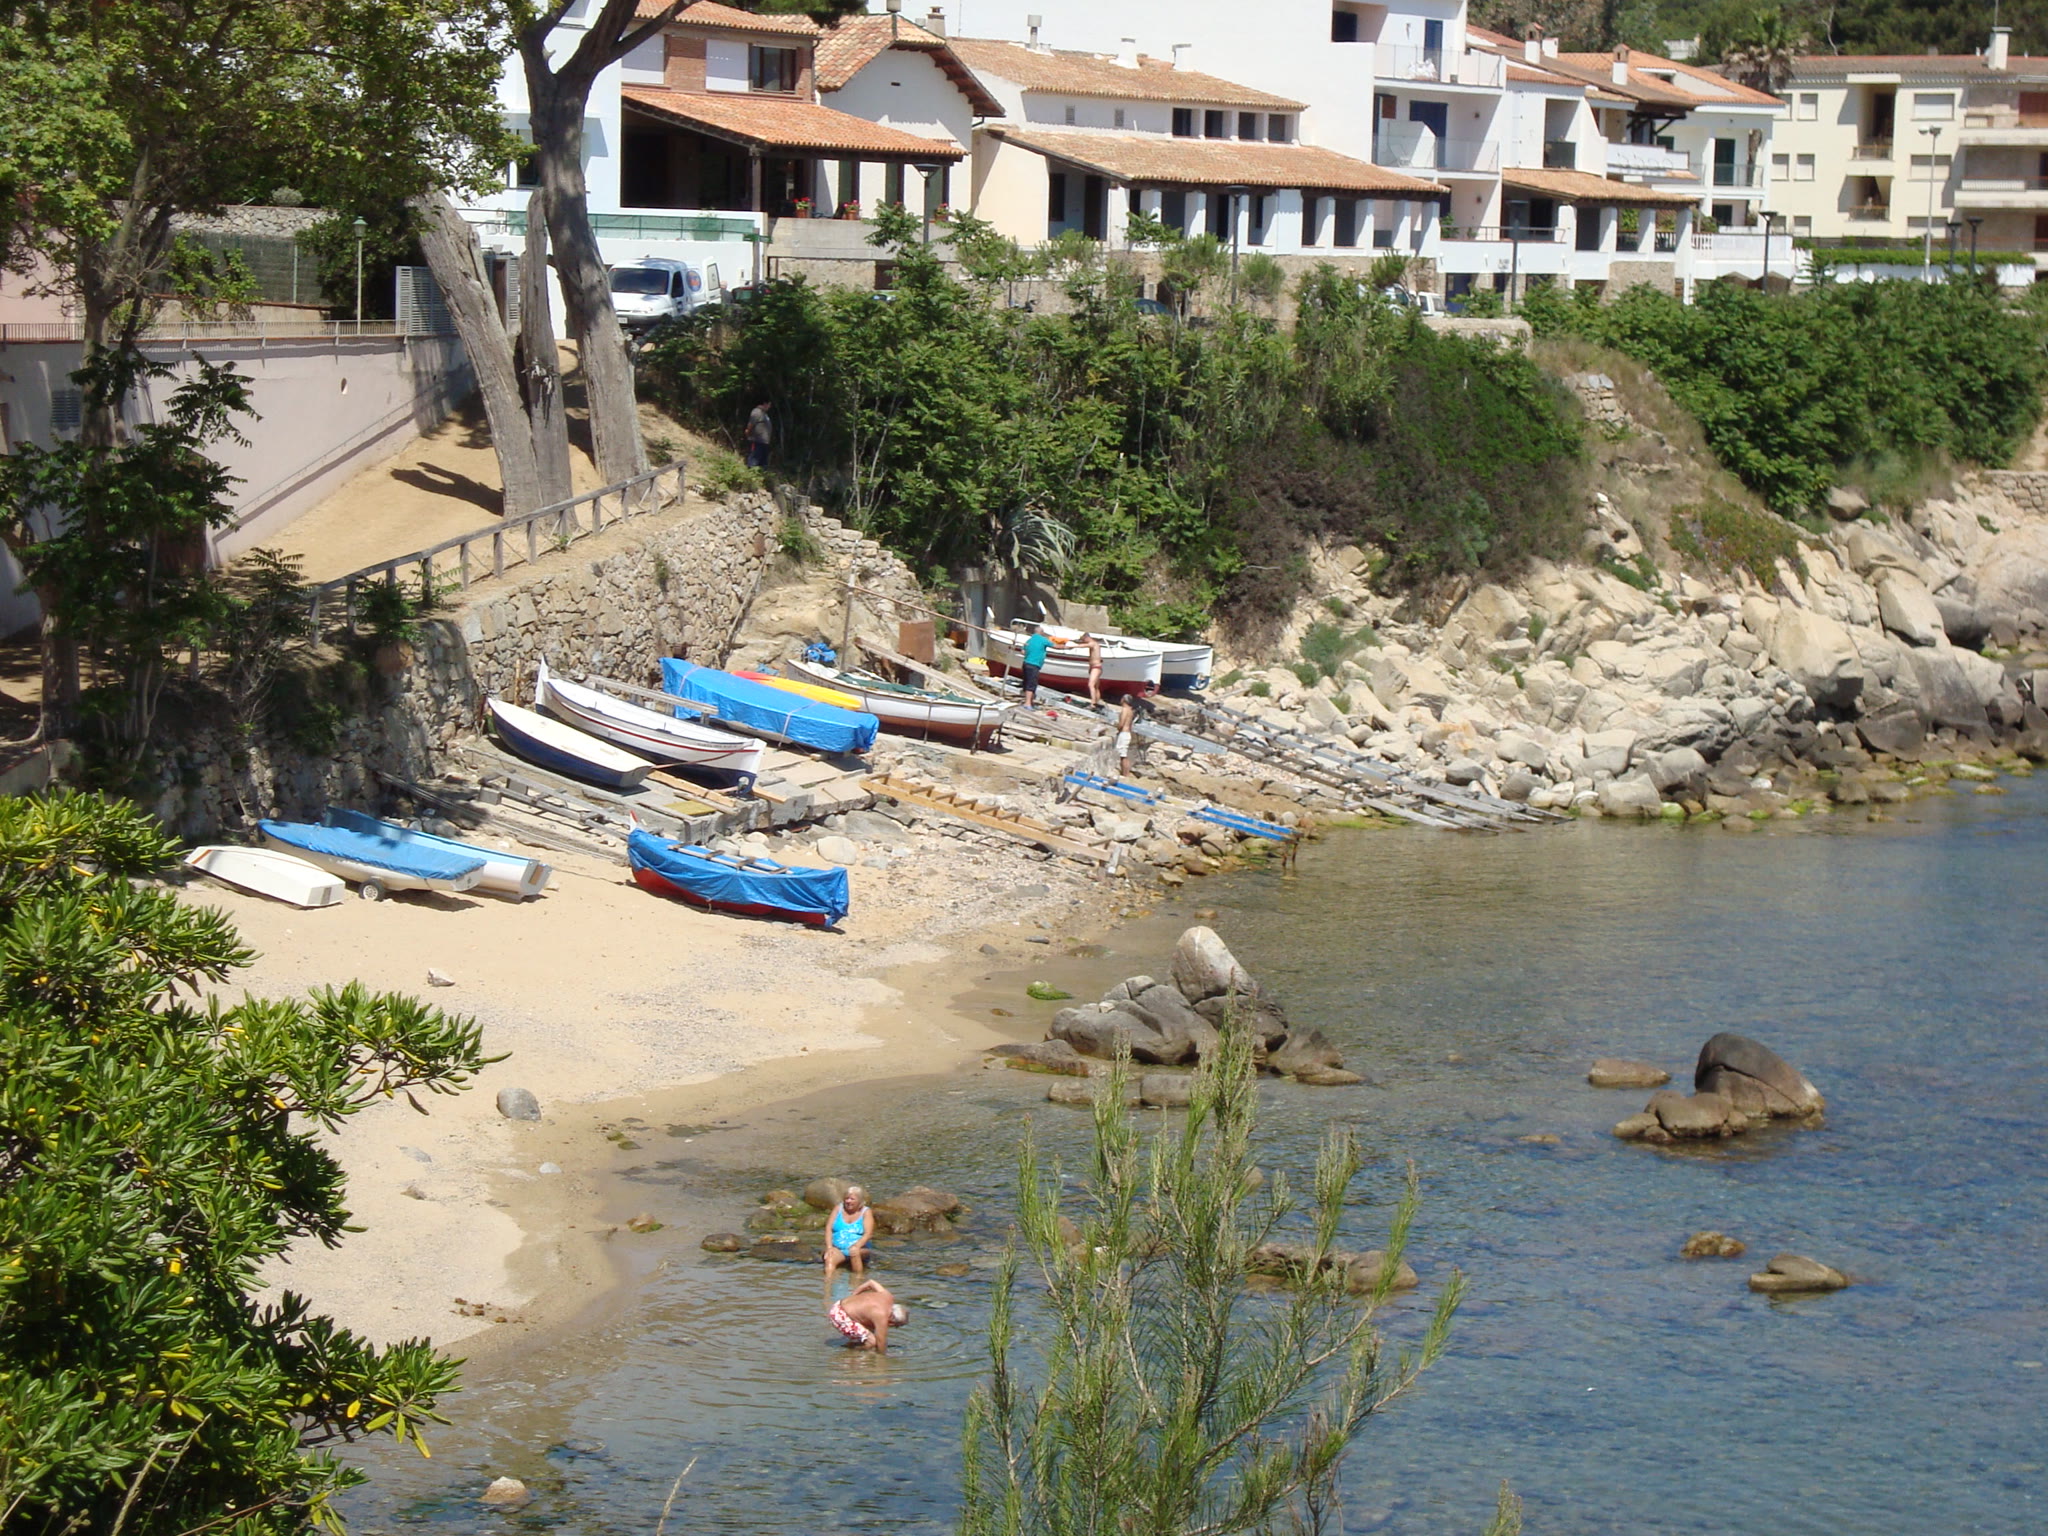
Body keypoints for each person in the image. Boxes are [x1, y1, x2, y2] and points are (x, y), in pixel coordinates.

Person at [827, 1278, 906, 1352]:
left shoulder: (888, 1296)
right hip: (839, 1315)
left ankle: (854, 1342)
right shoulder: (882, 1316)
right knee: (872, 1342)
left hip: (839, 1304)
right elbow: (881, 1343)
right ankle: (850, 1352)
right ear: (892, 1320)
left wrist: (854, 1294)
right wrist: (882, 1358)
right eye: (896, 1326)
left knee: (871, 1329)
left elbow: (871, 1282)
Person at [822, 1185, 873, 1285]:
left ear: (860, 1201)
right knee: (830, 1259)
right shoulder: (838, 1209)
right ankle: (828, 1286)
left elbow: (868, 1234)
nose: (848, 1201)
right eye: (847, 1198)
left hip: (860, 1248)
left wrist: (857, 1246)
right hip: (839, 1248)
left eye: (852, 1199)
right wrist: (829, 1247)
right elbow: (828, 1229)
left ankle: (857, 1281)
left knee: (854, 1252)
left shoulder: (866, 1212)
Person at [1019, 628, 1052, 707]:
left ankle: (1030, 702)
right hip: (1034, 665)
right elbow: (1056, 646)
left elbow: (1023, 651)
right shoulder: (1043, 640)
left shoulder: (1030, 640)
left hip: (1026, 663)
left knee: (1027, 682)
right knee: (1031, 684)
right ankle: (1027, 703)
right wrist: (1071, 646)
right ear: (1041, 632)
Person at [744, 399, 772, 470]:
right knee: (754, 461)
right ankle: (751, 473)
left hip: (764, 442)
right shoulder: (757, 412)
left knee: (763, 463)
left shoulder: (764, 413)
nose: (769, 407)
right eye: (769, 405)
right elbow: (751, 424)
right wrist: (748, 432)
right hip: (757, 441)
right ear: (765, 404)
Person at [1115, 693, 1137, 777]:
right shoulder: (1131, 710)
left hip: (1124, 733)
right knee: (1124, 755)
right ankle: (1125, 773)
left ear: (1124, 700)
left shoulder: (1125, 709)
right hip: (1127, 733)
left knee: (1123, 755)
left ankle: (1125, 774)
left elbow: (1122, 723)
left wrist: (1117, 728)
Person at [1084, 633, 1104, 707]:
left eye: (1084, 640)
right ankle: (1097, 701)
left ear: (1087, 637)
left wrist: (1070, 646)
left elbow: (1083, 645)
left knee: (1091, 685)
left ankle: (1093, 703)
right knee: (1095, 686)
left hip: (1096, 667)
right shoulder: (1094, 645)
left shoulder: (1093, 643)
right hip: (1094, 667)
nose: (1084, 641)